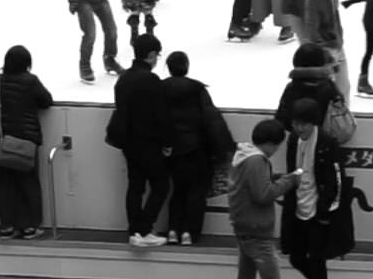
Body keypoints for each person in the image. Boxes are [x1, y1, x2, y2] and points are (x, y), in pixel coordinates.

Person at [106, 34, 174, 247]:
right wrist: (167, 142)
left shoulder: (123, 78)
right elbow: (160, 115)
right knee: (161, 185)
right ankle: (144, 228)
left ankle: (134, 231)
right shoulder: (151, 81)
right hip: (148, 142)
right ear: (151, 55)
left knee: (135, 186)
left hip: (128, 141)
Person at [163, 50, 235, 247]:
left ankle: (172, 230)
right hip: (196, 150)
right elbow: (212, 120)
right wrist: (223, 149)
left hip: (172, 152)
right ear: (186, 66)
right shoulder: (197, 90)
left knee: (177, 191)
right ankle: (189, 232)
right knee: (196, 192)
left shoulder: (161, 89)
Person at [0, 45, 53, 239]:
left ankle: (7, 226)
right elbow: (46, 100)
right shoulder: (31, 82)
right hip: (24, 142)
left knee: (4, 185)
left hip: (0, 140)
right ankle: (29, 226)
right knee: (28, 184)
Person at [281, 97, 352, 279]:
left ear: (313, 123)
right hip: (297, 208)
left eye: (304, 124)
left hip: (318, 212)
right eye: (296, 123)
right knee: (296, 257)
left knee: (317, 259)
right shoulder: (293, 140)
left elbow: (336, 181)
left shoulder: (326, 143)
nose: (299, 128)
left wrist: (325, 212)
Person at [229, 118, 301, 279]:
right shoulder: (257, 161)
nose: (275, 150)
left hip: (244, 227)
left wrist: (278, 178)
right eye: (277, 145)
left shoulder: (244, 156)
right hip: (257, 230)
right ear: (270, 143)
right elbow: (263, 194)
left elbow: (253, 185)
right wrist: (289, 181)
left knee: (246, 274)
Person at [302, 0, 351, 87]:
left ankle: (342, 108)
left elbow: (335, 16)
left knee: (344, 86)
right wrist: (323, 53)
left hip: (336, 45)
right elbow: (311, 29)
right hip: (325, 49)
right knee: (329, 89)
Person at [275, 45, 343, 125]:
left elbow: (281, 116)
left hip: (296, 132)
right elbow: (341, 109)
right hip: (325, 133)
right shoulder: (329, 87)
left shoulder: (291, 88)